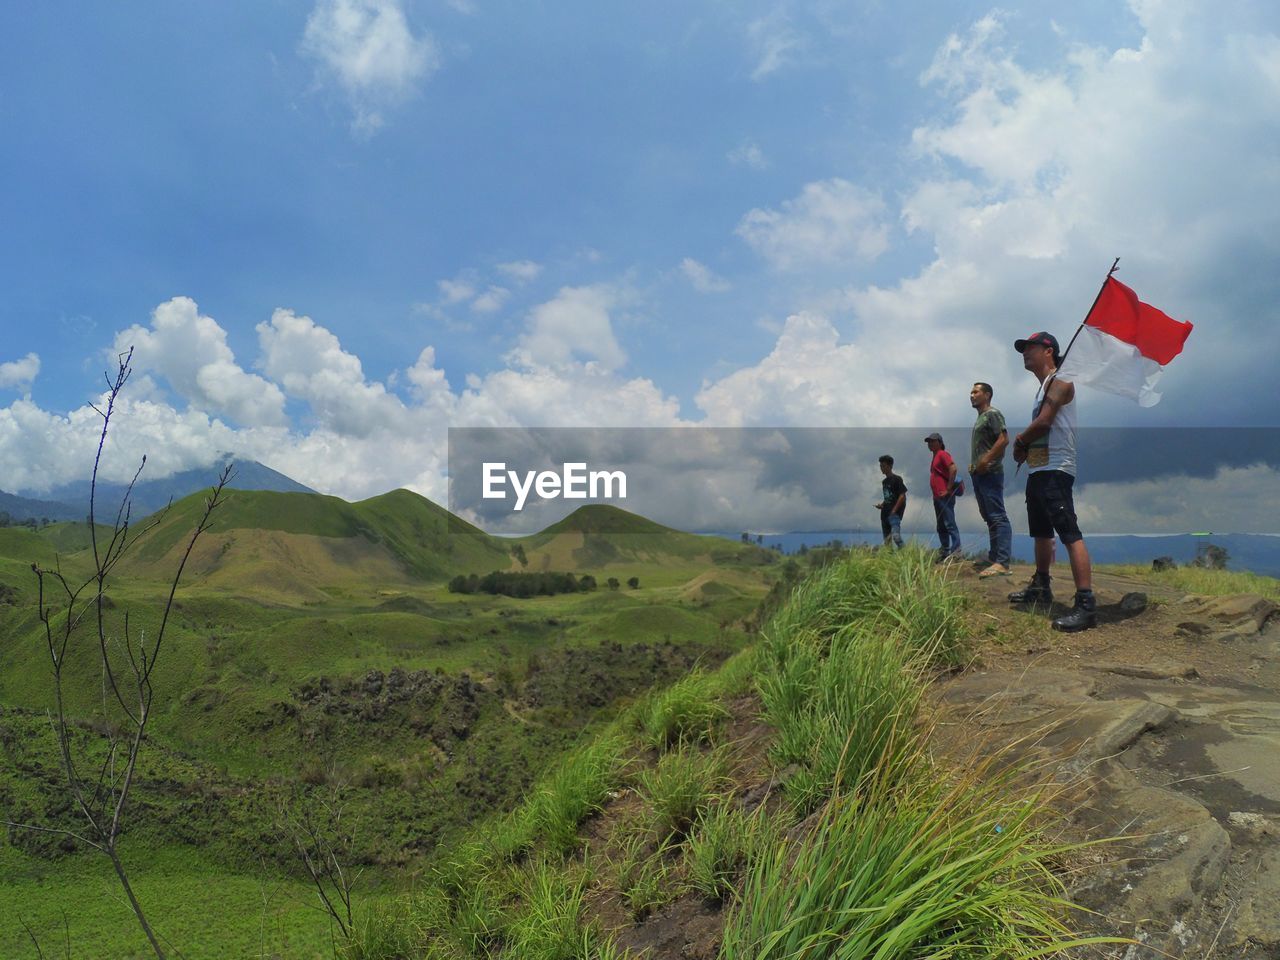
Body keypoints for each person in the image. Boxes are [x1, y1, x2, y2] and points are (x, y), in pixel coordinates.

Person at [1007, 331, 1097, 631]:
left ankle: (1086, 604)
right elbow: (1045, 428)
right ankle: (1041, 586)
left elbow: (1044, 421)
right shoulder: (1044, 386)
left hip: (1056, 468)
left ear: (1049, 351)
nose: (1025, 352)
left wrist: (1020, 441)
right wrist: (1028, 451)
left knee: (1068, 531)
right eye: (1023, 348)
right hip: (1040, 468)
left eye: (1030, 347)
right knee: (1041, 531)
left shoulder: (1061, 381)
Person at [968, 382, 1012, 577]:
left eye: (976, 392)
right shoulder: (981, 418)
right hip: (980, 474)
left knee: (997, 516)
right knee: (988, 516)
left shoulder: (993, 414)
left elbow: (1004, 439)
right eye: (971, 392)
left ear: (987, 395)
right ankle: (995, 557)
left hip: (991, 473)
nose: (971, 395)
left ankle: (1002, 561)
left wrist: (986, 460)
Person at [924, 433, 961, 559]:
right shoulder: (935, 457)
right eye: (929, 442)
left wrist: (948, 488)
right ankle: (945, 550)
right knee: (941, 525)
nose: (930, 444)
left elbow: (953, 468)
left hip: (944, 496)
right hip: (937, 497)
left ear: (940, 442)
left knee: (949, 523)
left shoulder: (942, 454)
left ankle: (956, 551)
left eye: (933, 441)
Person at [876, 454, 907, 549]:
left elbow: (902, 496)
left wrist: (894, 511)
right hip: (884, 514)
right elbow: (888, 497)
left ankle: (905, 553)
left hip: (894, 515)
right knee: (887, 542)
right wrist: (882, 504)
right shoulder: (884, 482)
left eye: (884, 466)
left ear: (890, 466)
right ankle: (890, 561)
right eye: (880, 466)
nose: (882, 468)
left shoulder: (897, 479)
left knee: (896, 537)